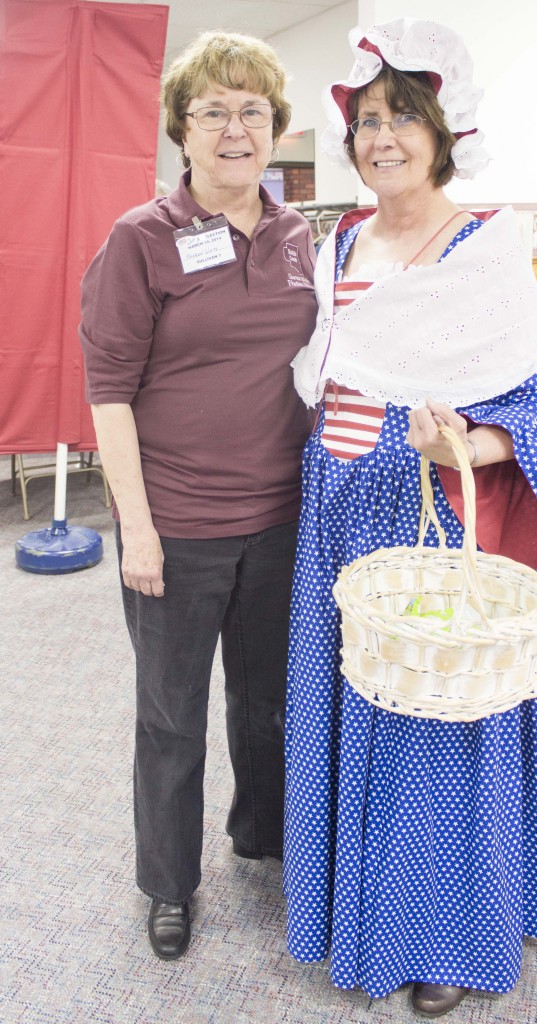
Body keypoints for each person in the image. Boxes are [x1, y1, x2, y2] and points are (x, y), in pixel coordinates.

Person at [284, 18, 537, 1018]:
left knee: (434, 724)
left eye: (405, 116)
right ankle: (350, 908)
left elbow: (534, 417)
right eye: (367, 119)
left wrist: (458, 441)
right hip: (334, 504)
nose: (383, 136)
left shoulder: (484, 251)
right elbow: (323, 376)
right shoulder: (341, 242)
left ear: (445, 133)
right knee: (351, 704)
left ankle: (446, 931)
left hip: (426, 520)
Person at [79, 31, 317, 960]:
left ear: (275, 128)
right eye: (213, 109)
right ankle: (168, 883)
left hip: (282, 519)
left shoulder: (301, 234)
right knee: (170, 714)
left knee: (264, 704)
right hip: (174, 526)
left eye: (252, 109)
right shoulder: (142, 238)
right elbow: (107, 393)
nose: (234, 127)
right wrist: (134, 528)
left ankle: (260, 835)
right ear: (182, 128)